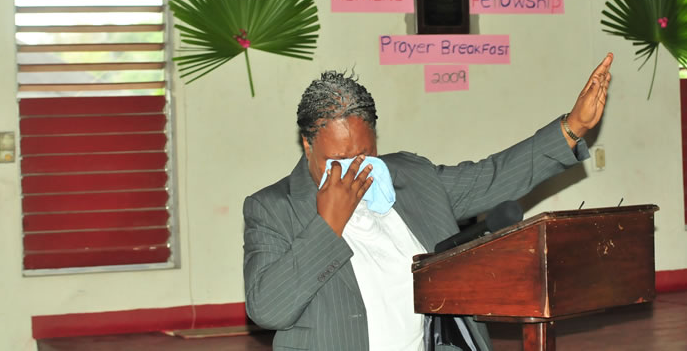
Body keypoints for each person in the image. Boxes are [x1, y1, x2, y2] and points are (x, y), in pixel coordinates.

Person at [243, 54, 613, 351]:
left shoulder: (411, 177)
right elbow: (268, 310)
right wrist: (328, 226)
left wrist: (573, 128)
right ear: (308, 145)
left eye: (364, 154)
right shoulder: (273, 208)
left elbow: (492, 177)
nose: (354, 170)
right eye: (338, 159)